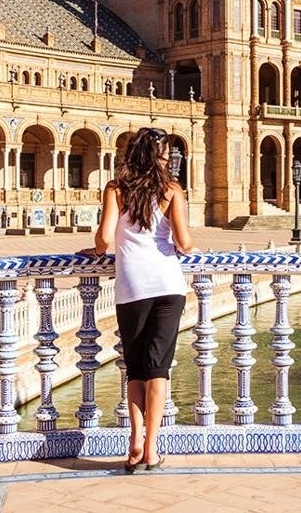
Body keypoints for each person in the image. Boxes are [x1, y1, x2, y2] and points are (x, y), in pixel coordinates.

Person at [81, 127, 193, 473]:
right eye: (166, 155)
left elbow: (103, 239)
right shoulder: (172, 190)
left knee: (136, 369)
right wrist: (177, 243)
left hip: (131, 289)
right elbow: (185, 243)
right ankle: (152, 449)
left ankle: (134, 441)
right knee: (158, 369)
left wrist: (96, 251)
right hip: (167, 285)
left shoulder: (115, 189)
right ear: (160, 157)